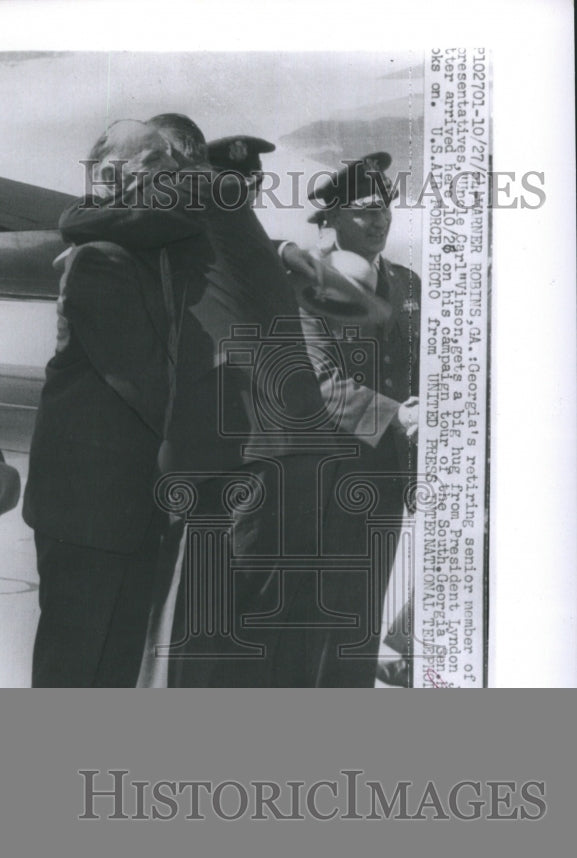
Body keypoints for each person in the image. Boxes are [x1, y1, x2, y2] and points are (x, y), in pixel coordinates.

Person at [61, 113, 345, 687]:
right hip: (276, 448)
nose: (142, 179)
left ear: (179, 157)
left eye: (146, 165)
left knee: (211, 635)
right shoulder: (218, 221)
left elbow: (77, 218)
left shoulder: (198, 185)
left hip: (256, 448)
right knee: (257, 640)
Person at [22, 120, 195, 687]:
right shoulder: (100, 258)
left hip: (128, 511)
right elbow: (141, 383)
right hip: (88, 514)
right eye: (160, 171)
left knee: (115, 671)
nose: (173, 184)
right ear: (118, 176)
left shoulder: (136, 253)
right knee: (72, 671)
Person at [294, 152, 421, 686]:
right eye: (366, 210)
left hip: (387, 473)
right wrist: (396, 416)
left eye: (385, 208)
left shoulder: (408, 283)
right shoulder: (307, 280)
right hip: (329, 476)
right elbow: (316, 381)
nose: (380, 219)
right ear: (333, 218)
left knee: (363, 614)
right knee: (320, 617)